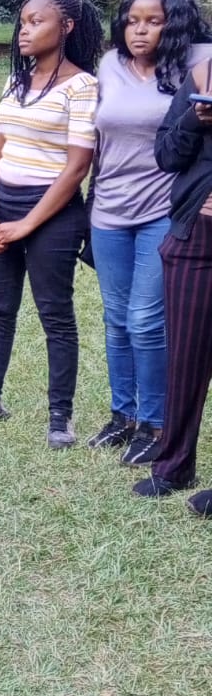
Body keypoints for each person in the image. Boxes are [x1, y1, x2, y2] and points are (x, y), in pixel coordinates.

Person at [0, 0, 100, 447]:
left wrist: (27, 224)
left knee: (55, 315)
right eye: (22, 21)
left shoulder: (82, 86)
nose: (25, 30)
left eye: (37, 21)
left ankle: (60, 418)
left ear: (67, 27)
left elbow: (77, 166)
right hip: (2, 209)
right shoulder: (16, 82)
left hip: (51, 216)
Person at [87, 0, 203, 466]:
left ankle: (155, 424)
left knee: (144, 319)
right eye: (133, 21)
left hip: (163, 210)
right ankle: (123, 415)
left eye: (153, 22)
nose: (140, 31)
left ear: (174, 25)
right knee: (116, 320)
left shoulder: (198, 63)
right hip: (109, 209)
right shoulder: (110, 64)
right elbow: (95, 136)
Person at [132, 54, 212, 510]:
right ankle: (174, 464)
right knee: (185, 355)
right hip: (196, 234)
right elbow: (167, 155)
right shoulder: (202, 74)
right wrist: (194, 117)